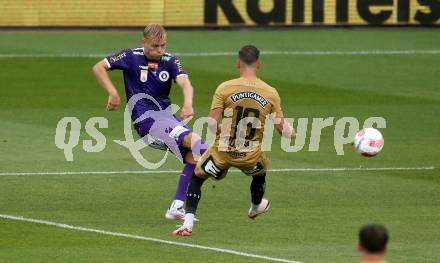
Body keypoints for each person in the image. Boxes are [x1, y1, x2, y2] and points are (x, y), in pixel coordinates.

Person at [173, 45, 296, 236]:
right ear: (259, 64)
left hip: (223, 151)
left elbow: (212, 122)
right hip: (250, 156)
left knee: (197, 175)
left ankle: (188, 224)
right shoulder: (270, 93)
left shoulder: (225, 88)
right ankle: (255, 207)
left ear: (238, 63)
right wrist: (292, 132)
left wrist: (220, 131)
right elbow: (284, 131)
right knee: (261, 171)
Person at [92, 24, 209, 221]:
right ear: (144, 42)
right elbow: (99, 67)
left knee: (198, 153)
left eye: (163, 45)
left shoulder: (170, 60)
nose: (160, 50)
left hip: (167, 119)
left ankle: (177, 206)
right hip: (147, 122)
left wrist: (188, 102)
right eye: (155, 46)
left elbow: (185, 82)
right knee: (198, 144)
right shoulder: (130, 56)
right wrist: (112, 92)